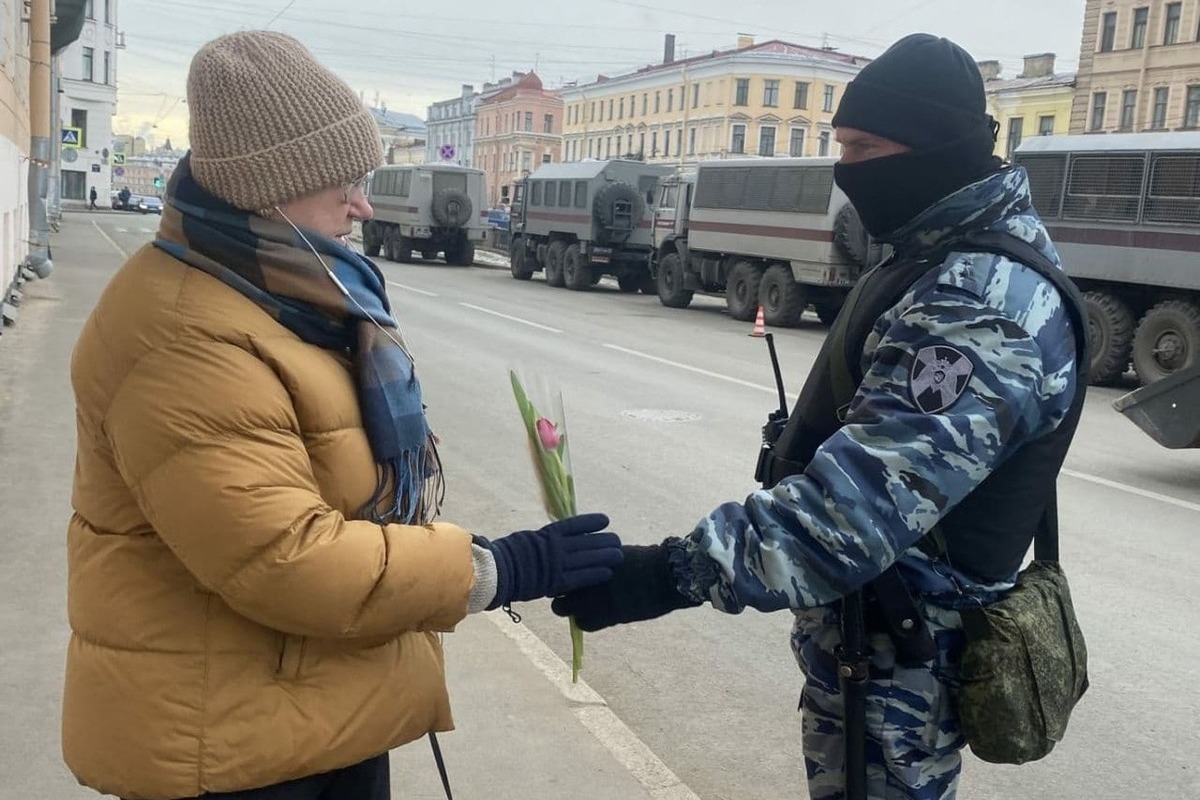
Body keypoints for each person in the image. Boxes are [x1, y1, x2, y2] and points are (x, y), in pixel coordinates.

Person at [63, 31, 623, 800]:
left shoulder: (288, 292)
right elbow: (287, 562)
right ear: (268, 190)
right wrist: (497, 568)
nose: (363, 204)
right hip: (226, 748)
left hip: (304, 714)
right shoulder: (182, 334)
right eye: (342, 184)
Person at [553, 33, 1087, 800]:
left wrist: (669, 573)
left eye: (865, 147)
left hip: (908, 661)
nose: (849, 169)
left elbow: (857, 510)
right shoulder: (934, 253)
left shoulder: (981, 302)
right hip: (873, 639)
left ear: (934, 147)